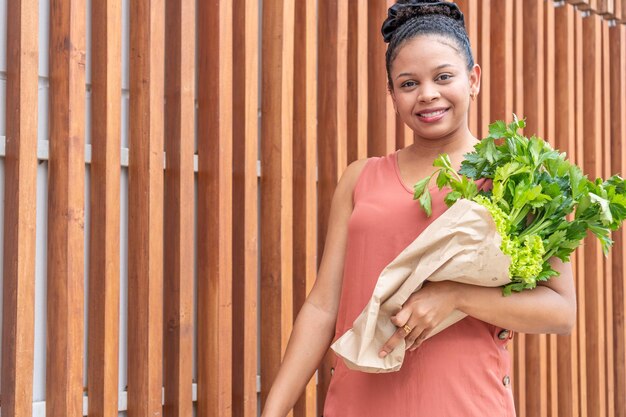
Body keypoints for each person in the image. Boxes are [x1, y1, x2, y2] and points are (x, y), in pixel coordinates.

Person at [261, 1, 577, 416]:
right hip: (358, 406)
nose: (427, 93)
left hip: (466, 403)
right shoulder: (360, 179)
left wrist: (455, 296)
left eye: (443, 77)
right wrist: (273, 411)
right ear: (391, 93)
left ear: (473, 79)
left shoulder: (517, 178)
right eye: (408, 83)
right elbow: (322, 307)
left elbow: (560, 312)